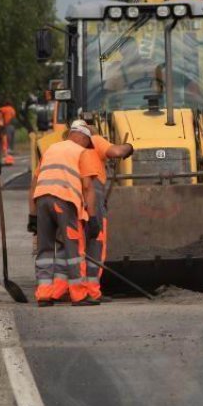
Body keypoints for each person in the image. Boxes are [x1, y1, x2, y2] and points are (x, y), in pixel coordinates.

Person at [29, 122, 100, 307]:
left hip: (42, 200)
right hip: (64, 200)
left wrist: (33, 215)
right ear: (83, 138)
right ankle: (79, 294)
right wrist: (92, 218)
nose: (87, 147)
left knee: (44, 248)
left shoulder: (51, 149)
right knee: (73, 248)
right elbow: (87, 187)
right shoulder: (81, 151)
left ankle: (44, 293)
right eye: (88, 143)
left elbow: (34, 182)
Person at [70, 120, 134, 301]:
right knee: (96, 242)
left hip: (69, 194)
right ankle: (92, 291)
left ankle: (72, 289)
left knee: (75, 243)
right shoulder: (95, 139)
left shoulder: (64, 146)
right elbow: (116, 152)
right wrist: (129, 147)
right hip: (92, 193)